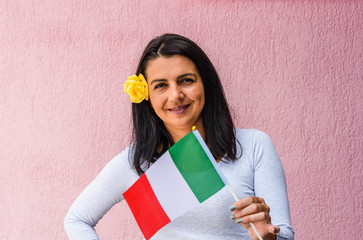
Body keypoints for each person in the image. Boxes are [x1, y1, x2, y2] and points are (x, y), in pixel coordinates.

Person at [64, 33, 294, 240]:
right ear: (147, 96)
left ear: (206, 83)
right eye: (161, 85)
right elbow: (76, 219)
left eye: (186, 80)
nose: (176, 95)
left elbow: (284, 235)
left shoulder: (254, 146)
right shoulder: (136, 161)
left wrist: (268, 236)